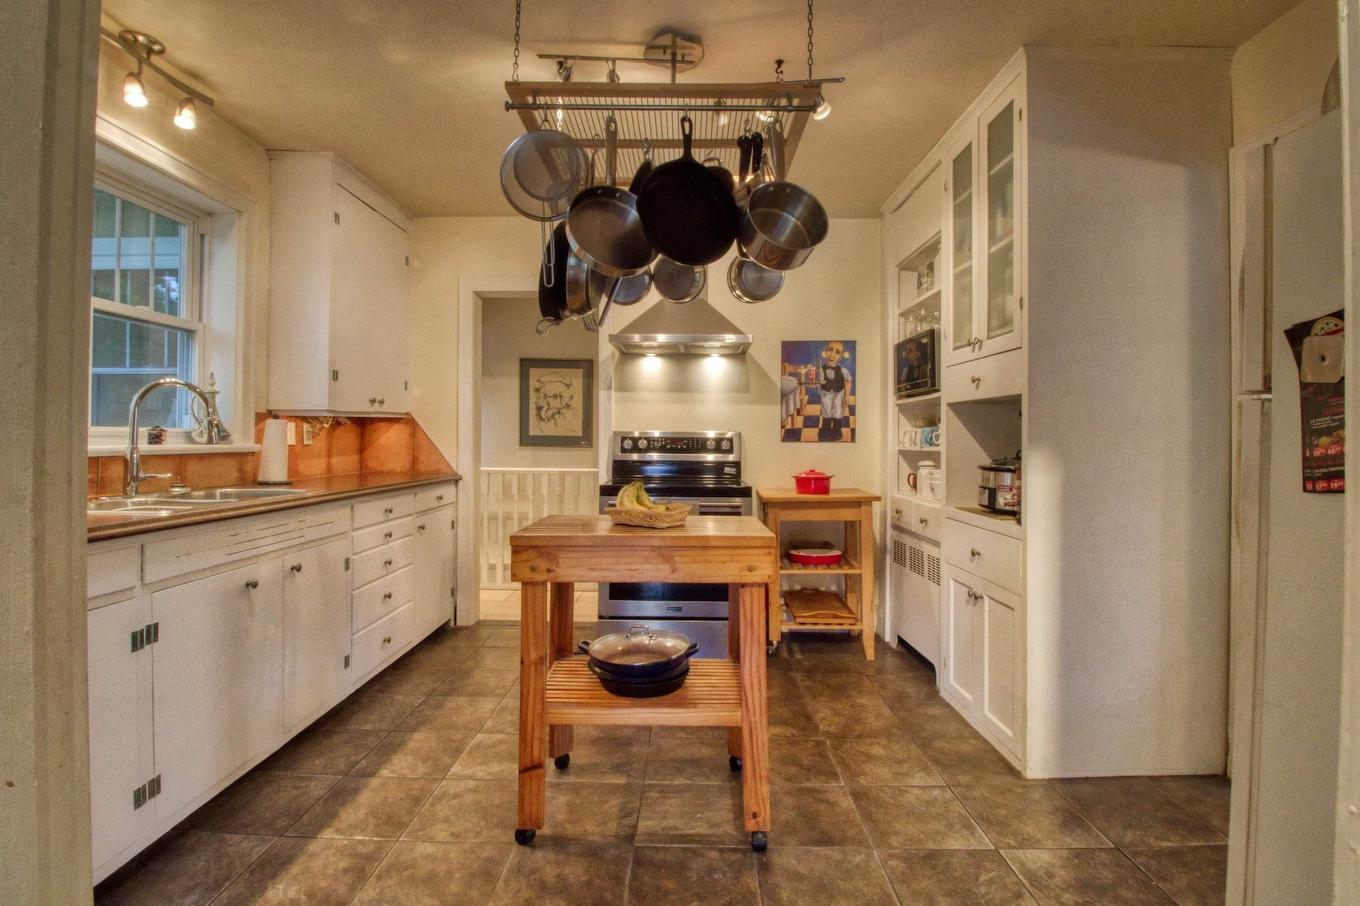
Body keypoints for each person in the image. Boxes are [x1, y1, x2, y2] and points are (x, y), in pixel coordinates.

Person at [817, 341, 851, 441]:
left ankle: (837, 431)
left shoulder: (843, 370)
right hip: (825, 393)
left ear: (841, 356)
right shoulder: (820, 369)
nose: (832, 355)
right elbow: (816, 379)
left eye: (837, 352)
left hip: (839, 394)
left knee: (837, 412)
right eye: (830, 350)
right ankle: (825, 430)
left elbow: (848, 382)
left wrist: (847, 396)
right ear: (825, 352)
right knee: (826, 412)